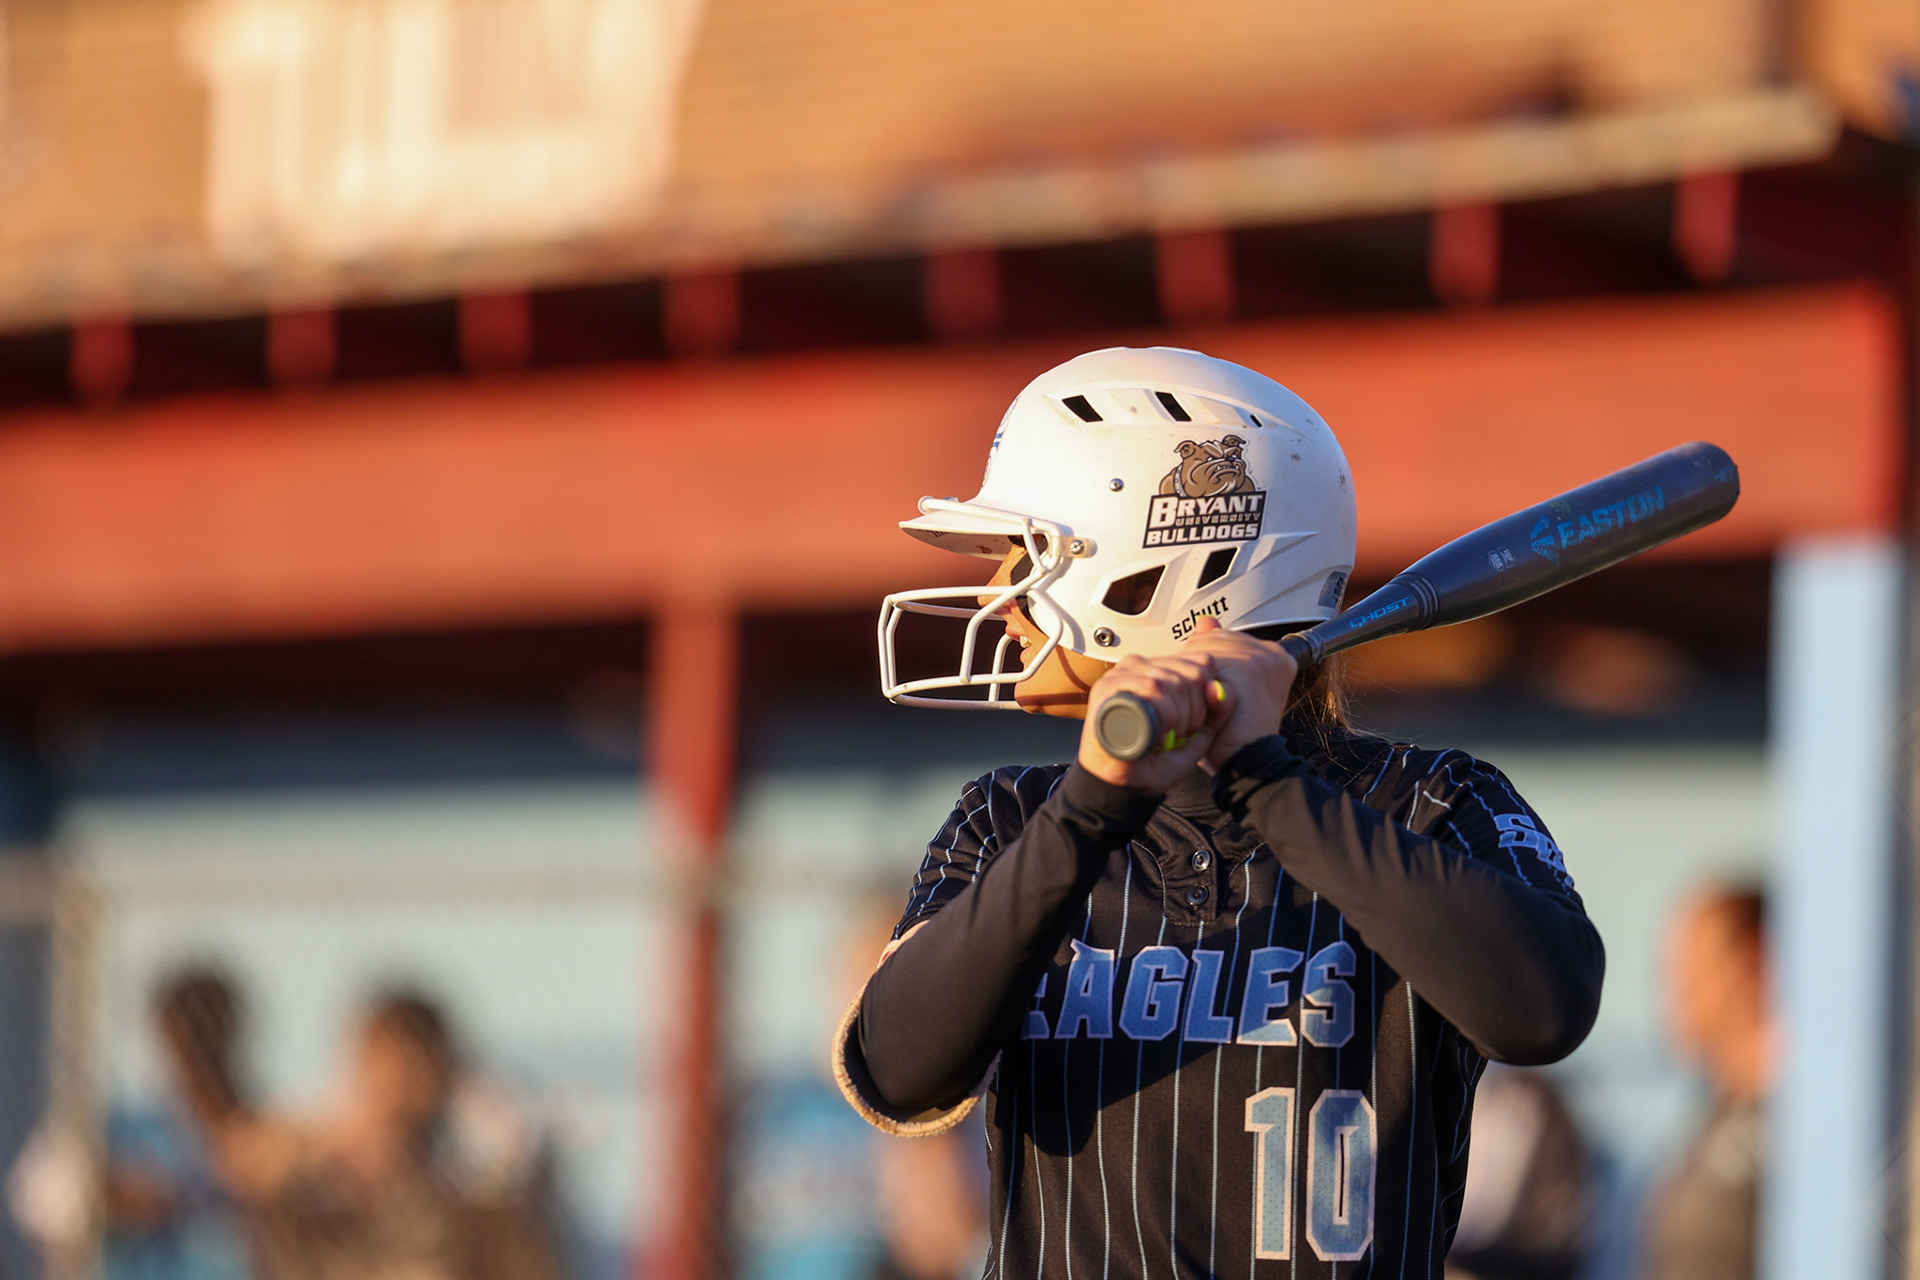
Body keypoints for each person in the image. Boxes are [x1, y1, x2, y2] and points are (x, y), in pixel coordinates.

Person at [833, 346, 1606, 1276]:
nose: (1002, 604)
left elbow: (1544, 1009)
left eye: (1027, 559)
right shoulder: (1012, 818)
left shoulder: (1434, 802)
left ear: (1162, 572)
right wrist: (1091, 809)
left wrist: (1266, 780)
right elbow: (902, 1070)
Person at [1635, 886, 1771, 1280]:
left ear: (1754, 962)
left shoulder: (1804, 1121)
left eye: (1695, 968)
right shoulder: (1713, 1116)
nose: (1680, 992)